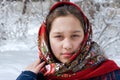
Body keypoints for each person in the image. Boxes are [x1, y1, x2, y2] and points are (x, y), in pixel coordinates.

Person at [16, 1, 120, 80]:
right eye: (59, 37)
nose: (67, 45)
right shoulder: (36, 76)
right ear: (47, 39)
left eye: (75, 36)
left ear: (86, 36)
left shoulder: (111, 74)